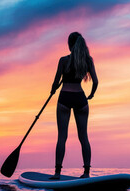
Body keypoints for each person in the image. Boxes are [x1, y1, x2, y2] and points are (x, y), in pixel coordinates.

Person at [49, 32, 98, 179]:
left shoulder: (63, 60)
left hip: (64, 98)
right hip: (80, 99)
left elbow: (56, 81)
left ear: (70, 45)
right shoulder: (87, 61)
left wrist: (52, 90)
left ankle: (57, 173)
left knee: (62, 137)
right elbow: (95, 82)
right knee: (84, 137)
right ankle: (86, 173)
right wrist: (91, 95)